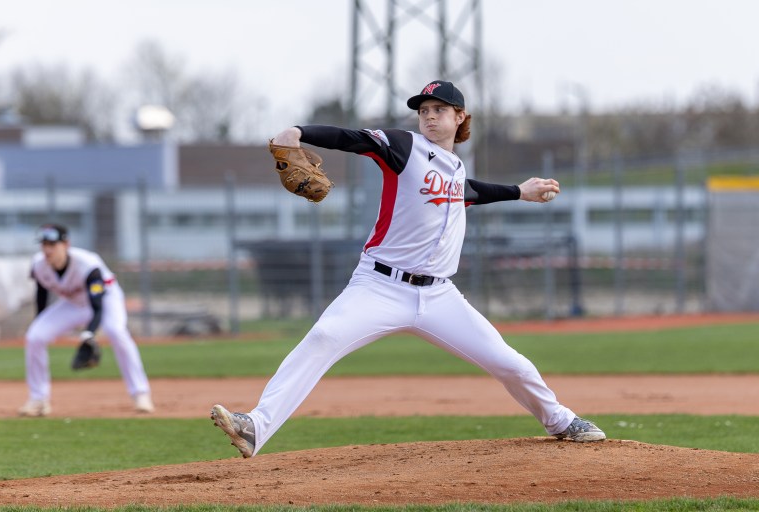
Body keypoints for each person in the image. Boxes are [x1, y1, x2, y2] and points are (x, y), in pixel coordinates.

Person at [211, 80, 605, 457]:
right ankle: (256, 426)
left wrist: (520, 191)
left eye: (439, 110)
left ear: (460, 116)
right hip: (379, 286)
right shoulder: (404, 146)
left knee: (509, 362)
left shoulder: (455, 167)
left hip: (439, 296)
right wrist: (298, 131)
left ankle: (561, 422)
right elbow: (354, 139)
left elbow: (471, 192)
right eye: (424, 110)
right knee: (324, 337)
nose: (429, 116)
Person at [18, 223, 154, 416]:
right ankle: (38, 400)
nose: (47, 249)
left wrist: (89, 334)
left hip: (106, 300)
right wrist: (41, 324)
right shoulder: (39, 265)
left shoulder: (88, 264)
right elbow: (42, 298)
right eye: (44, 244)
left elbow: (97, 307)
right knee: (35, 336)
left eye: (52, 244)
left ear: (66, 244)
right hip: (72, 304)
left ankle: (141, 394)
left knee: (116, 332)